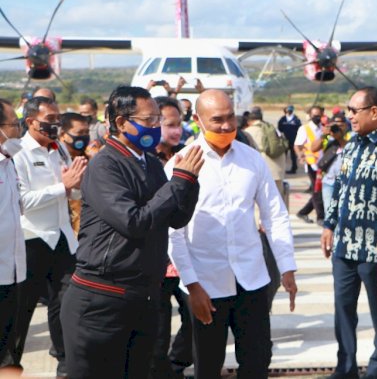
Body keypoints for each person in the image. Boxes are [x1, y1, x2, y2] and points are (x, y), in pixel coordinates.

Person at [61, 86, 203, 379]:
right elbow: (134, 222)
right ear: (122, 122)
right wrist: (179, 182)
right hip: (102, 300)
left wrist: (190, 182)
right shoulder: (105, 165)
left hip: (141, 298)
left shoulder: (149, 162)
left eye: (157, 120)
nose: (155, 127)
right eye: (148, 120)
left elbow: (174, 218)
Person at [168, 90, 298, 379]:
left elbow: (275, 216)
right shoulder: (181, 164)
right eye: (217, 120)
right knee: (208, 364)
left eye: (230, 118)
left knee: (257, 360)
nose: (226, 126)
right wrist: (192, 286)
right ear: (199, 121)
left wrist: (287, 266)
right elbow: (173, 233)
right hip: (206, 285)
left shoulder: (252, 160)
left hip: (251, 281)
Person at [320, 87, 377, 379]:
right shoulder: (351, 145)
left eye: (353, 110)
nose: (348, 116)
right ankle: (346, 368)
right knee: (343, 310)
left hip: (376, 250)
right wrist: (329, 225)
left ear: (374, 112)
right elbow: (339, 189)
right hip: (344, 247)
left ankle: (376, 370)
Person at [12, 96, 85, 375]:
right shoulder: (18, 154)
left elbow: (71, 193)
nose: (56, 125)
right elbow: (22, 202)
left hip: (63, 239)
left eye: (58, 119)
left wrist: (76, 185)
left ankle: (66, 363)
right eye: (50, 120)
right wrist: (62, 187)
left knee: (66, 304)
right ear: (31, 121)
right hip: (32, 240)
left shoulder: (59, 151)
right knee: (23, 310)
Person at [150, 96, 193, 379]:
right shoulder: (145, 160)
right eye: (170, 124)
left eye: (179, 124)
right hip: (156, 255)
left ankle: (176, 364)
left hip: (185, 252)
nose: (176, 131)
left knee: (196, 314)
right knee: (158, 324)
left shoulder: (187, 156)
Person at [0, 99, 26, 374]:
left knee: (8, 349)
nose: (19, 131)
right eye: (14, 125)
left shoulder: (9, 162)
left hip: (13, 270)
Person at [243, 106, 287, 200]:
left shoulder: (248, 132)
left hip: (262, 171)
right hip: (277, 170)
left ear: (249, 121)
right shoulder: (272, 129)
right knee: (277, 201)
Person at [311, 113, 350, 213]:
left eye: (341, 125)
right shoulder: (328, 138)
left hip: (345, 182)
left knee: (342, 212)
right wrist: (324, 135)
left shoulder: (351, 136)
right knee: (329, 212)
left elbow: (349, 147)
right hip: (328, 181)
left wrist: (339, 137)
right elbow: (313, 148)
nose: (338, 128)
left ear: (346, 125)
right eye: (335, 125)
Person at [60, 112, 91, 234]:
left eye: (86, 132)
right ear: (63, 135)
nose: (84, 137)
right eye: (79, 133)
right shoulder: (58, 162)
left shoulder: (91, 159)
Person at [295, 105, 325, 225]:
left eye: (319, 115)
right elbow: (297, 145)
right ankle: (320, 217)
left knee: (319, 190)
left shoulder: (323, 129)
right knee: (317, 190)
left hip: (324, 164)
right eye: (315, 115)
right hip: (311, 164)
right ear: (310, 116)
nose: (317, 117)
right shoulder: (304, 129)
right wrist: (300, 156)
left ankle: (303, 212)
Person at [278, 105, 302, 174]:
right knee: (283, 155)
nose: (288, 111)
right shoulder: (282, 119)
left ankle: (294, 168)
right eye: (287, 110)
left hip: (293, 140)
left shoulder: (296, 120)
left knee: (293, 155)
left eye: (290, 110)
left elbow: (299, 129)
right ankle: (282, 168)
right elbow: (279, 128)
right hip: (284, 140)